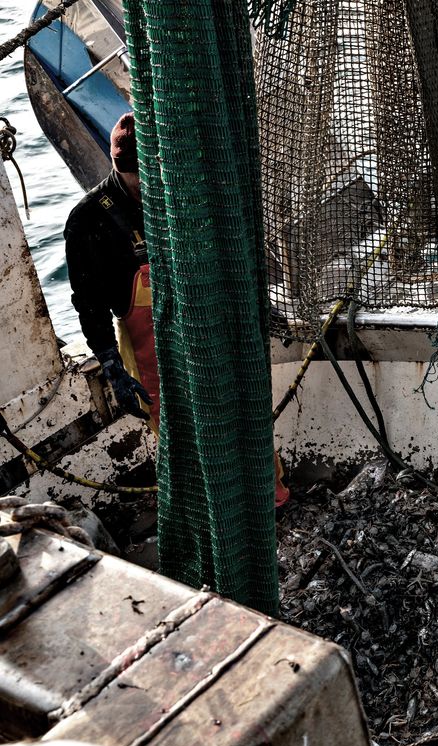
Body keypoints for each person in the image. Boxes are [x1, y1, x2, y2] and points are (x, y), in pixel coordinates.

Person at [65, 112, 289, 507]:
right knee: (181, 437)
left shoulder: (182, 191)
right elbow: (88, 301)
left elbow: (230, 253)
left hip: (209, 323)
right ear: (118, 166)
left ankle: (272, 503)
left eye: (152, 173)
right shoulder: (87, 220)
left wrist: (258, 303)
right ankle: (210, 519)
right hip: (149, 350)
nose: (147, 186)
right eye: (136, 177)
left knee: (242, 416)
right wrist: (110, 363)